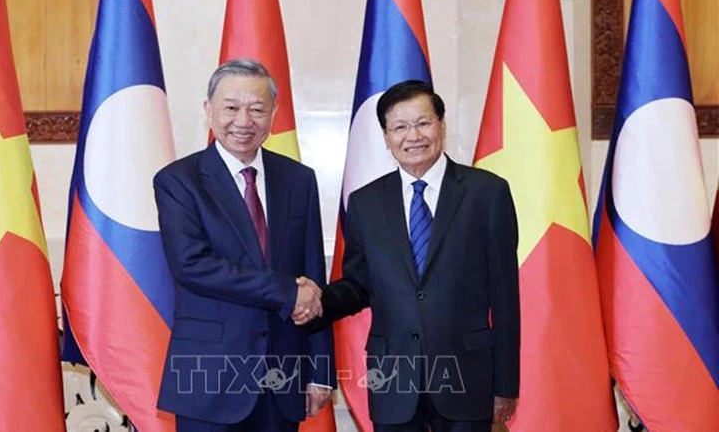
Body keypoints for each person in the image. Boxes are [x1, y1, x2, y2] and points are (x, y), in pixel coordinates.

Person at [300, 80, 519, 432]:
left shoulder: (487, 194)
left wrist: (506, 385)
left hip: (467, 378)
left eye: (422, 123)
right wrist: (317, 301)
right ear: (386, 137)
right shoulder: (366, 203)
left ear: (441, 125)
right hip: (393, 381)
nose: (412, 136)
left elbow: (506, 298)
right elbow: (359, 284)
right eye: (400, 127)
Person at [154, 59, 335, 432]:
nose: (243, 121)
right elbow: (192, 265)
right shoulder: (179, 181)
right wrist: (287, 291)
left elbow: (313, 275)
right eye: (231, 107)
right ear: (209, 110)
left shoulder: (299, 179)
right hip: (209, 378)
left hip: (282, 377)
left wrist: (321, 369)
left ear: (273, 114)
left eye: (256, 109)